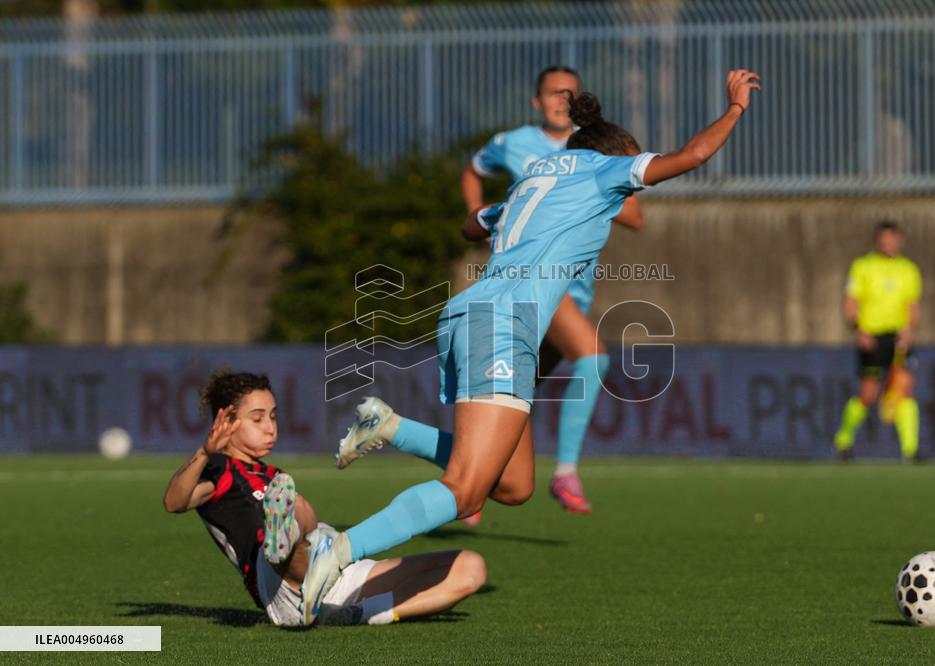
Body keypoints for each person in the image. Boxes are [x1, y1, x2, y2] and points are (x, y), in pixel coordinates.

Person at [322, 70, 761, 617]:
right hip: (506, 325)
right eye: (629, 160)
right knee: (465, 491)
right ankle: (336, 549)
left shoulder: (532, 178)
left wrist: (503, 224)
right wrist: (737, 107)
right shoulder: (603, 169)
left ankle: (389, 427)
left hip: (470, 315)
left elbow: (470, 228)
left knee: (512, 486)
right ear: (613, 153)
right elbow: (694, 154)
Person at [162, 371, 486, 627]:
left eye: (273, 416)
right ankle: (287, 536)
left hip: (329, 578)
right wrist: (205, 451)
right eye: (258, 418)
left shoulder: (270, 472)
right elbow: (175, 502)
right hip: (279, 586)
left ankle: (351, 612)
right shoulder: (219, 467)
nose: (270, 427)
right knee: (295, 504)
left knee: (470, 569)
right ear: (228, 422)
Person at [460, 65, 644, 515]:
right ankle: (565, 473)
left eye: (570, 94)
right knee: (593, 355)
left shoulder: (596, 152)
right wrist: (479, 214)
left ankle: (470, 477)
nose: (561, 101)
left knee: (514, 395)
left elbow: (636, 217)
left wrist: (581, 188)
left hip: (572, 289)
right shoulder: (514, 143)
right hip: (531, 282)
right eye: (553, 93)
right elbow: (472, 171)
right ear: (536, 102)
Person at [834, 221, 923, 461]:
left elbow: (912, 305)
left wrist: (909, 330)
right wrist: (858, 330)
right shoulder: (863, 266)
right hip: (872, 337)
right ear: (877, 241)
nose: (888, 244)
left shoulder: (909, 269)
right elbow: (851, 301)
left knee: (904, 390)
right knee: (868, 395)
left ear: (899, 240)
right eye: (883, 240)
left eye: (892, 239)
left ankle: (910, 451)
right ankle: (843, 440)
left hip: (898, 338)